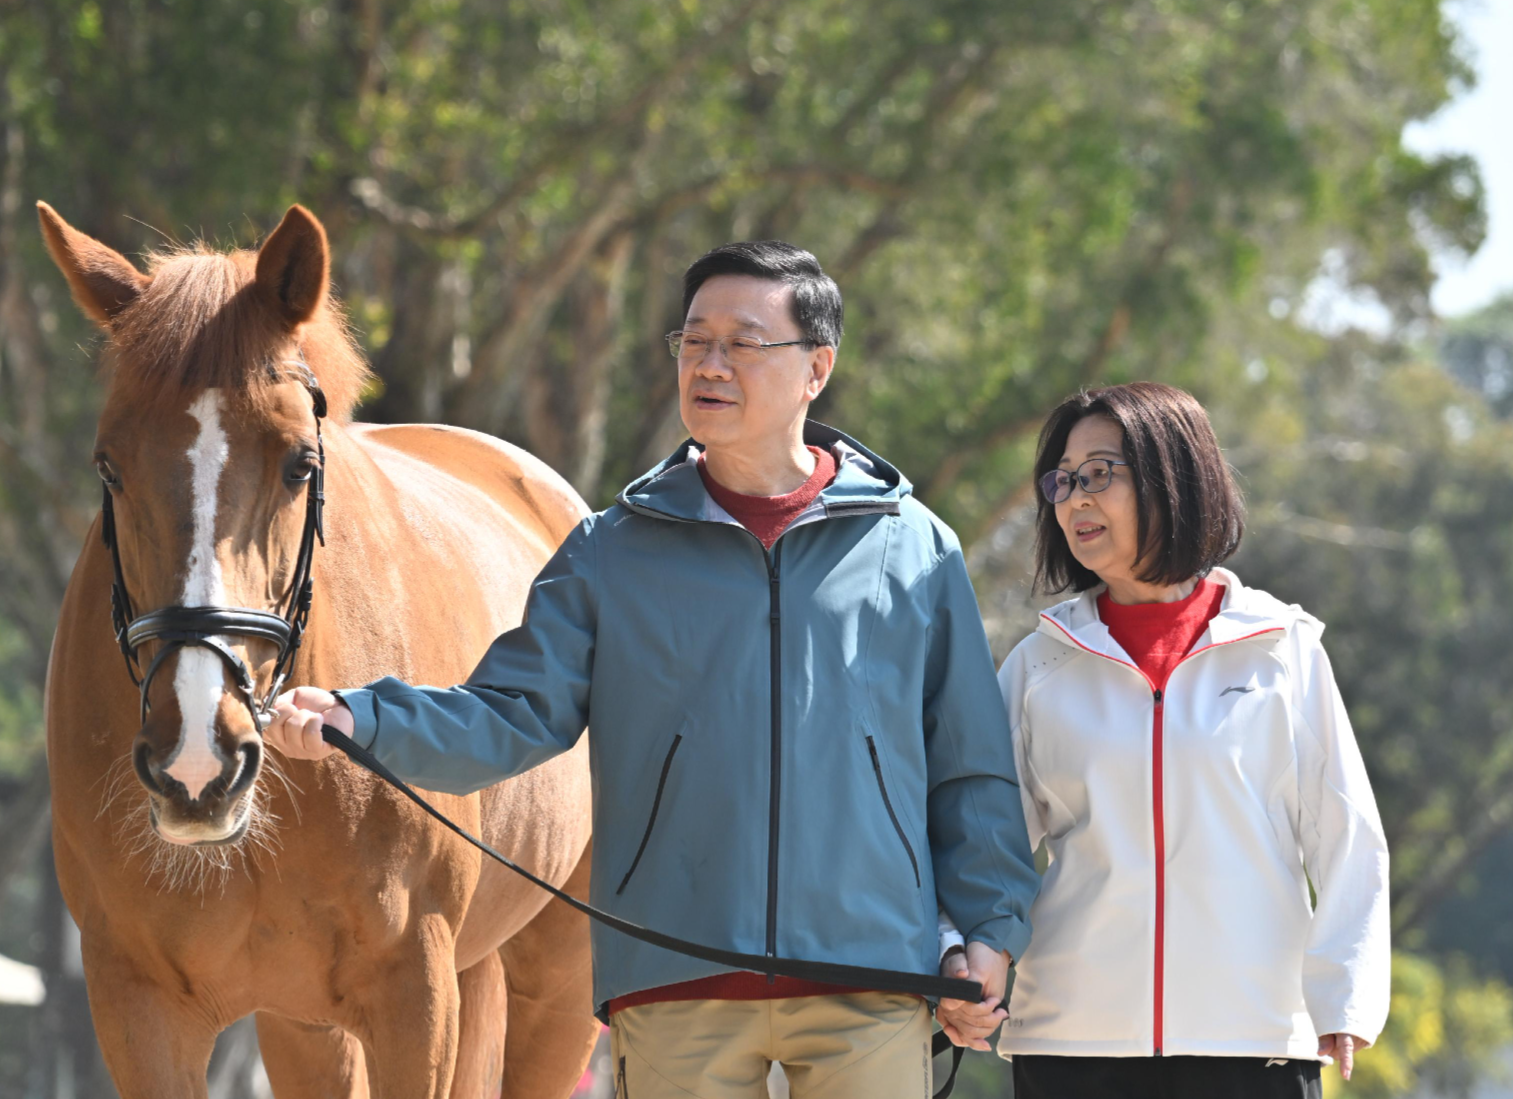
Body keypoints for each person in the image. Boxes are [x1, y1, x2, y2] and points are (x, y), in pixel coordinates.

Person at [264, 240, 1039, 1098]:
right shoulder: (609, 551)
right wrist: (360, 719)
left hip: (870, 975)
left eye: (742, 343)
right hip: (676, 975)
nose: (709, 364)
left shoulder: (914, 549)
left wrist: (989, 928)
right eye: (693, 341)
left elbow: (968, 765)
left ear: (816, 367)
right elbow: (512, 712)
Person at [961, 382, 1389, 1099]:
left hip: (1249, 1041)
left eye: (1099, 472)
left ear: (1174, 478)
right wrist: (961, 956)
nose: (1074, 499)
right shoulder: (1040, 664)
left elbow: (1344, 830)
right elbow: (984, 842)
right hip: (1073, 1042)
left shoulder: (1279, 649)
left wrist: (1343, 996)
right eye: (1062, 480)